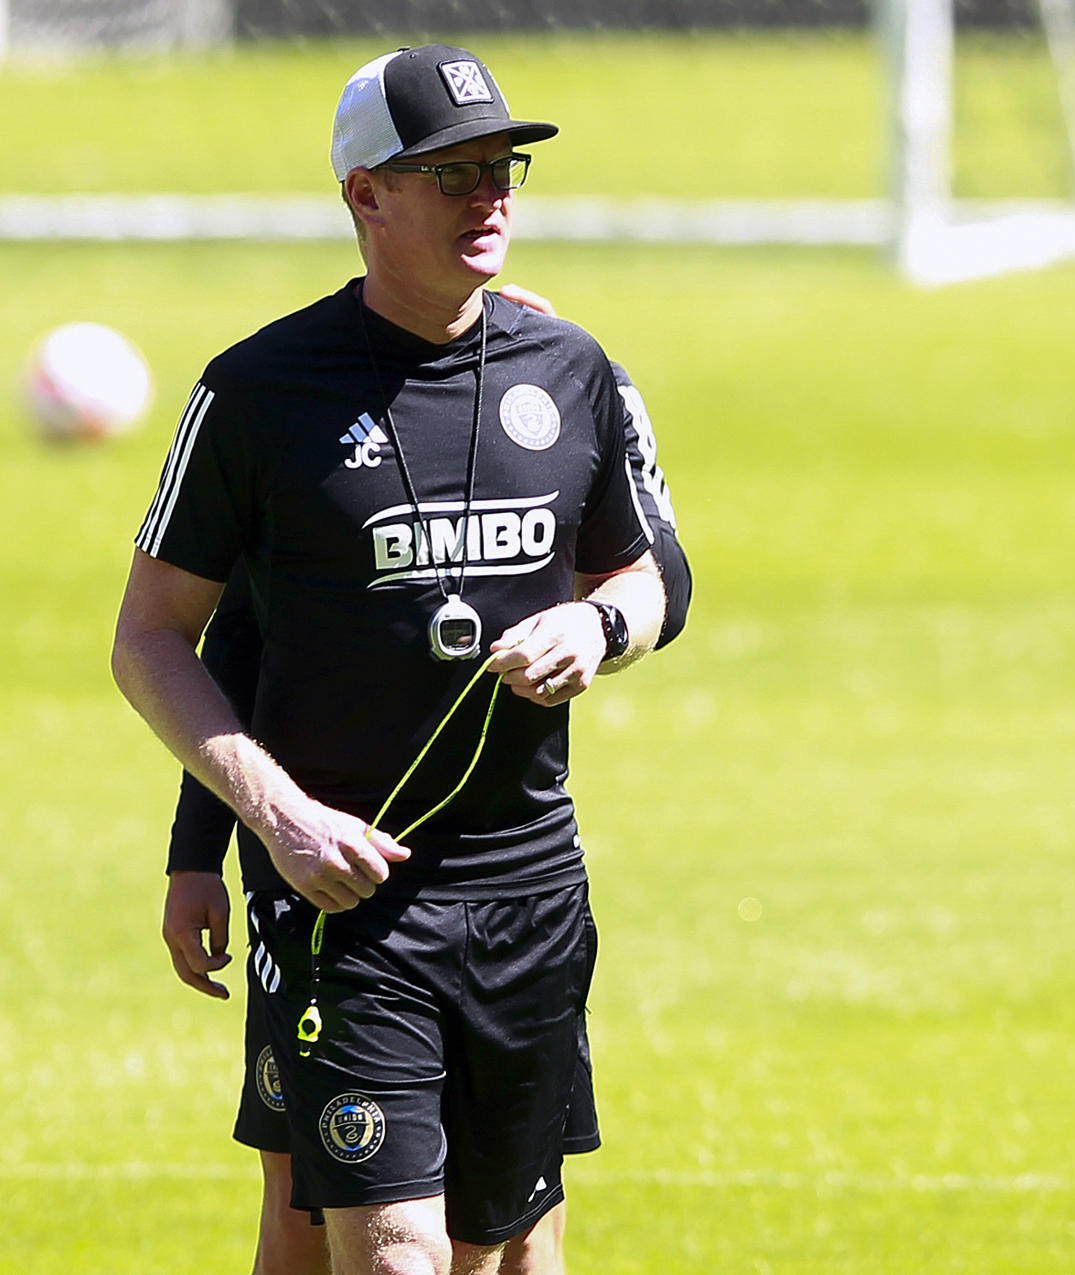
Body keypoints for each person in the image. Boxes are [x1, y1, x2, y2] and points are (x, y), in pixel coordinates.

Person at [113, 44, 666, 1275]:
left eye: (504, 168)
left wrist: (599, 626)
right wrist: (256, 829)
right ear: (366, 197)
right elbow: (174, 633)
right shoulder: (261, 394)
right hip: (342, 905)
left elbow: (651, 572)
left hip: (529, 897)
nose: (493, 196)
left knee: (506, 1254)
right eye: (453, 173)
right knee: (374, 1248)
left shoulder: (572, 372)